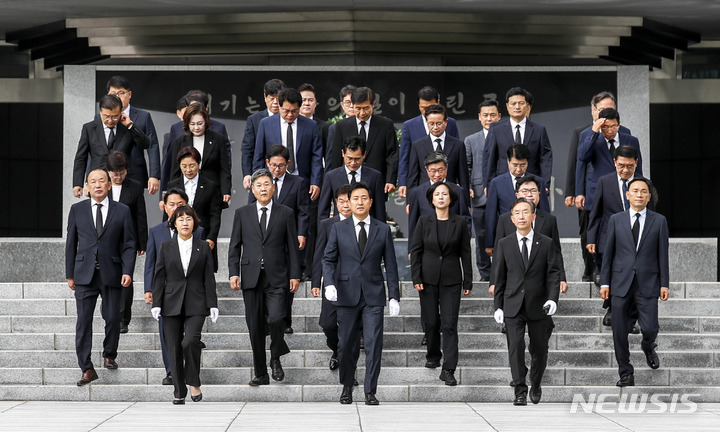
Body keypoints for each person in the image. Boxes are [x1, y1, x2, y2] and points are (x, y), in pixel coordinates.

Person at [323, 182, 400, 405]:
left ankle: (370, 391)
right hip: (346, 295)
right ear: (348, 202)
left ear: (371, 202)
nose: (359, 202)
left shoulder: (382, 229)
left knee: (374, 343)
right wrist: (329, 284)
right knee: (346, 344)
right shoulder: (339, 228)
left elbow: (391, 265)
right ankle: (347, 386)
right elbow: (328, 259)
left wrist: (394, 295)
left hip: (373, 295)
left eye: (364, 198)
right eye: (355, 198)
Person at [228, 169, 301, 386]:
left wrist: (295, 274)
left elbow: (292, 248)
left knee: (277, 318)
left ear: (273, 187)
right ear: (252, 188)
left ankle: (276, 356)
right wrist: (233, 272)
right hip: (250, 277)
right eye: (259, 184)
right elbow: (234, 246)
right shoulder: (242, 213)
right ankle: (261, 373)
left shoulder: (286, 213)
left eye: (267, 184)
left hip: (277, 276)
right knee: (255, 327)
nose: (263, 188)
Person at [66, 169, 136, 386]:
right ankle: (86, 368)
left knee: (114, 317)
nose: (97, 185)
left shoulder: (122, 210)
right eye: (93, 181)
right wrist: (70, 274)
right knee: (83, 322)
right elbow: (71, 244)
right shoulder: (77, 210)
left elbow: (129, 244)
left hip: (112, 272)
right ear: (87, 186)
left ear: (108, 185)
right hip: (84, 274)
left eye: (102, 181)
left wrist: (127, 271)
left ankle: (109, 353)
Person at [599, 178, 669, 387]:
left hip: (648, 282)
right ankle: (625, 373)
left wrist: (664, 283)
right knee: (619, 331)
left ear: (649, 197)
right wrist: (605, 283)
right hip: (620, 283)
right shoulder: (616, 220)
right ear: (627, 195)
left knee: (649, 327)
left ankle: (648, 346)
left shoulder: (659, 221)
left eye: (643, 192)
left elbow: (662, 255)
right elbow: (608, 253)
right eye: (635, 191)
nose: (639, 195)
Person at [493, 198, 560, 405]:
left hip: (538, 305)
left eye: (525, 212)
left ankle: (536, 383)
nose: (521, 216)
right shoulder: (504, 244)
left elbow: (553, 273)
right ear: (512, 219)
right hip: (513, 304)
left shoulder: (546, 242)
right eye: (517, 213)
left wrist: (552, 299)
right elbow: (499, 277)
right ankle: (519, 390)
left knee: (539, 348)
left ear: (533, 216)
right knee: (515, 346)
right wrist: (498, 306)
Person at [151, 205, 219, 404]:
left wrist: (213, 303)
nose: (185, 222)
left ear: (194, 223)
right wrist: (157, 302)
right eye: (180, 219)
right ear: (174, 224)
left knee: (190, 341)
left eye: (188, 219)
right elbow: (159, 276)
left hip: (197, 302)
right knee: (173, 347)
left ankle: (193, 381)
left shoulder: (203, 246)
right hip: (171, 302)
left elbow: (209, 277)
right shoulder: (166, 247)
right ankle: (179, 391)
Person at [410, 182, 472, 386]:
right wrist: (416, 278)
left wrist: (468, 279)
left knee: (449, 324)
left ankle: (449, 368)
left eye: (445, 194)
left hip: (452, 279)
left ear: (451, 198)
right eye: (437, 194)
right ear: (432, 199)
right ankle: (433, 355)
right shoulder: (423, 221)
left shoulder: (460, 222)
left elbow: (465, 252)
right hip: (427, 279)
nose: (441, 197)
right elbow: (416, 251)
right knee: (431, 322)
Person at [566, 91, 631, 282]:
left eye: (610, 109)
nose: (606, 113)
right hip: (591, 191)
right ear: (593, 111)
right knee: (589, 231)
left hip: (618, 190)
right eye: (602, 109)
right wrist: (576, 192)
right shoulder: (584, 133)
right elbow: (577, 163)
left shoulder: (624, 132)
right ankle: (591, 270)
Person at [144, 189, 204, 386]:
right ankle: (172, 371)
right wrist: (149, 289)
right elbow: (151, 264)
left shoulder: (198, 232)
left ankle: (189, 369)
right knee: (167, 335)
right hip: (167, 293)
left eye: (180, 204)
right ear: (164, 206)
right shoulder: (156, 231)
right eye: (171, 204)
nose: (176, 208)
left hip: (191, 293)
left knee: (190, 338)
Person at [249, 145, 310, 333]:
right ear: (267, 163)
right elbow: (251, 208)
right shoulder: (259, 182)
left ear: (288, 164)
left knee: (287, 281)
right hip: (266, 239)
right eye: (273, 165)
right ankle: (269, 319)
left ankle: (285, 321)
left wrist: (301, 233)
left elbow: (303, 211)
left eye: (281, 165)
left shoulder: (298, 182)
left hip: (288, 238)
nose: (277, 169)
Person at [587, 145, 650, 328]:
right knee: (612, 276)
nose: (625, 170)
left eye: (630, 166)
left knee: (633, 277)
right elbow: (596, 212)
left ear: (636, 164)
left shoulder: (643, 185)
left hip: (636, 239)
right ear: (615, 163)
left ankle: (630, 318)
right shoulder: (604, 182)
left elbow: (651, 215)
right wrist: (591, 238)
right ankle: (612, 309)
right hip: (610, 238)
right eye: (621, 165)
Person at [489, 175, 568, 296]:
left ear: (539, 194)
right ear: (517, 195)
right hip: (512, 282)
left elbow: (556, 252)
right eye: (525, 191)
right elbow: (498, 253)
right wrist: (494, 281)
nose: (529, 194)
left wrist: (561, 278)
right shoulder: (505, 220)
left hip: (539, 283)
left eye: (533, 191)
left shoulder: (549, 220)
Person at [253, 87, 323, 201]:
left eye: (294, 111)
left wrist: (315, 182)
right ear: (279, 107)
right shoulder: (266, 124)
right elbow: (259, 156)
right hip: (273, 180)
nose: (290, 115)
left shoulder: (310, 125)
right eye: (286, 111)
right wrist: (258, 181)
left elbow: (316, 156)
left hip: (302, 181)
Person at [72, 94, 150, 198]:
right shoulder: (89, 128)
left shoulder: (127, 128)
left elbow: (145, 144)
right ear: (100, 113)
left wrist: (130, 125)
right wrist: (78, 183)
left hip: (122, 182)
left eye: (114, 116)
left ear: (121, 113)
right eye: (106, 116)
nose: (110, 120)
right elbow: (81, 157)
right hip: (99, 184)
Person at [312, 184, 354, 370]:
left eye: (348, 200)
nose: (345, 205)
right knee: (328, 323)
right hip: (332, 282)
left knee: (350, 327)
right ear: (335, 203)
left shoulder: (363, 224)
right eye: (341, 201)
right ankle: (336, 349)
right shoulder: (327, 225)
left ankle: (345, 358)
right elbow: (319, 254)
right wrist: (316, 281)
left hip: (355, 283)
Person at [327, 87, 398, 197]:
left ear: (373, 104)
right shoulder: (342, 126)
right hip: (347, 184)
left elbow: (392, 154)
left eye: (366, 108)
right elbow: (335, 157)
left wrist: (390, 180)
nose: (362, 113)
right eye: (358, 108)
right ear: (352, 105)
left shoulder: (385, 125)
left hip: (376, 184)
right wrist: (333, 185)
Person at [106, 152, 148, 334]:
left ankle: (123, 319)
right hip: (106, 240)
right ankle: (109, 314)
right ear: (108, 172)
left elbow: (140, 215)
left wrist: (142, 242)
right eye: (114, 172)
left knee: (126, 278)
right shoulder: (101, 186)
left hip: (127, 240)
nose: (117, 176)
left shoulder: (135, 187)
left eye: (121, 172)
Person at [161, 90, 230, 197]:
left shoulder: (217, 138)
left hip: (211, 190)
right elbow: (173, 169)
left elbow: (225, 167)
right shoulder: (180, 140)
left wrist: (226, 190)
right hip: (185, 189)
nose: (196, 127)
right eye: (192, 124)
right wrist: (170, 192)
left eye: (199, 124)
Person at [484, 88, 553, 192]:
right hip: (503, 184)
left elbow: (546, 158)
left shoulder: (539, 130)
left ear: (527, 106)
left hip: (531, 185)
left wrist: (545, 184)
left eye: (521, 103)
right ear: (507, 106)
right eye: (513, 103)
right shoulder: (496, 129)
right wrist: (488, 184)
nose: (517, 107)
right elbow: (489, 158)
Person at [484, 144, 549, 254]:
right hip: (507, 236)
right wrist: (490, 243)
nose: (518, 169)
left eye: (523, 165)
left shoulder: (538, 182)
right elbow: (491, 215)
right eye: (515, 165)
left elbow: (544, 212)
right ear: (508, 162)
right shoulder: (497, 183)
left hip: (534, 237)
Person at [398, 86, 460, 198]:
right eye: (423, 107)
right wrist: (403, 182)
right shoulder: (410, 126)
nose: (426, 110)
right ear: (418, 105)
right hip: (422, 181)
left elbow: (457, 153)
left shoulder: (450, 123)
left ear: (438, 102)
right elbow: (405, 157)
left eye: (430, 106)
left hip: (448, 182)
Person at [167, 146, 222, 272]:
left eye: (192, 165)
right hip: (179, 235)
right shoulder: (173, 185)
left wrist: (212, 237)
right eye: (184, 166)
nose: (188, 170)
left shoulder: (210, 185)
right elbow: (169, 213)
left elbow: (215, 214)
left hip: (203, 236)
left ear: (198, 164)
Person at [464, 100, 501, 281]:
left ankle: (502, 272)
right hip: (479, 195)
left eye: (492, 115)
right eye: (485, 115)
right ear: (479, 117)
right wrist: (469, 188)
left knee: (503, 234)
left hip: (502, 196)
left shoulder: (505, 136)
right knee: (481, 236)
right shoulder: (471, 140)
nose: (489, 119)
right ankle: (485, 274)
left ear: (499, 116)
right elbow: (467, 167)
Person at [104, 75, 160, 194]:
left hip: (135, 172)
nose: (117, 97)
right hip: (108, 174)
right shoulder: (101, 117)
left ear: (129, 95)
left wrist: (154, 175)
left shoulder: (143, 116)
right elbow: (93, 148)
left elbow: (152, 146)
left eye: (121, 93)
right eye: (113, 93)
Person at [407, 104, 470, 205]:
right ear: (426, 123)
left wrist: (466, 203)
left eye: (439, 123)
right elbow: (413, 177)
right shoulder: (417, 146)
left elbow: (463, 178)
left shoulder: (458, 145)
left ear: (446, 122)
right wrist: (410, 202)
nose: (435, 127)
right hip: (424, 198)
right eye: (431, 124)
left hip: (451, 198)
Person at [318, 136, 385, 222]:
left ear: (364, 155)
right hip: (340, 227)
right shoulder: (331, 176)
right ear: (343, 153)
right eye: (349, 158)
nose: (353, 163)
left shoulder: (375, 177)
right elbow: (323, 209)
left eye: (357, 159)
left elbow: (379, 210)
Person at [242, 79, 286, 190]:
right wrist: (247, 173)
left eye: (278, 98)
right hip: (264, 174)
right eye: (272, 99)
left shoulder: (290, 119)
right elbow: (247, 149)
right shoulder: (254, 120)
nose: (275, 102)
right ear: (265, 97)